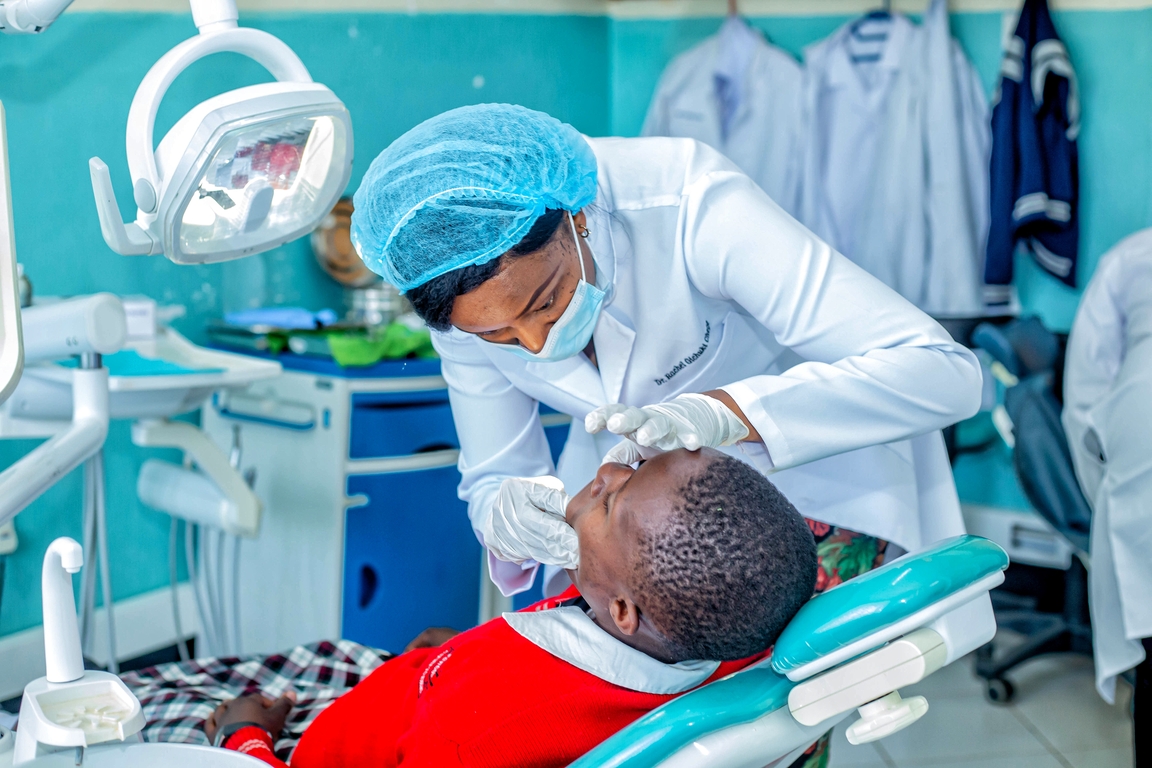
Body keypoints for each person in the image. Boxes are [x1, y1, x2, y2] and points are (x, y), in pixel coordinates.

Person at [351, 103, 980, 765]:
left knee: (777, 727)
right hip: (635, 539)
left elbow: (944, 374)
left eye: (545, 303)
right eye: (500, 338)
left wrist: (728, 413)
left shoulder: (689, 201)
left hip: (806, 493)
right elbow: (495, 472)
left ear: (580, 217)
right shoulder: (458, 289)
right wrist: (505, 515)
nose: (534, 344)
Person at [190, 449, 816, 766]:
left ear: (625, 611)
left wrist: (246, 737)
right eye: (634, 466)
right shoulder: (718, 637)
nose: (605, 468)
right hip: (433, 685)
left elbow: (494, 718)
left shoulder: (473, 727)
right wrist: (458, 657)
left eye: (611, 500)